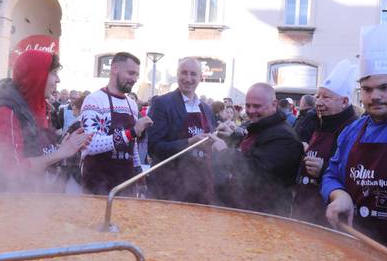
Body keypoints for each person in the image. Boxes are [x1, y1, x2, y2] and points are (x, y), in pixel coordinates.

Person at [321, 24, 387, 248]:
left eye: (384, 87)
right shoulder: (352, 130)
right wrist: (338, 194)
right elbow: (331, 173)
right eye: (367, 89)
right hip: (352, 243)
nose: (375, 96)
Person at [0, 50, 91, 192]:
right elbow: (12, 172)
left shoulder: (40, 106)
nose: (58, 80)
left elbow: (37, 151)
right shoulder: (7, 111)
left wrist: (63, 147)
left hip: (35, 198)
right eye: (54, 73)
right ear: (37, 76)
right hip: (7, 204)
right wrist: (60, 153)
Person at [211, 83, 303, 216]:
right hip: (243, 209)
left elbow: (256, 172)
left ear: (274, 104)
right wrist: (231, 138)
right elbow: (249, 151)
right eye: (248, 105)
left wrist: (225, 152)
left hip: (266, 215)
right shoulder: (260, 126)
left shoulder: (284, 138)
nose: (251, 111)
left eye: (257, 106)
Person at [292, 60, 358, 226]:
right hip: (304, 208)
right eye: (318, 96)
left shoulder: (352, 129)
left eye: (326, 98)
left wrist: (323, 170)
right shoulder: (319, 122)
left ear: (344, 102)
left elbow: (355, 172)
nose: (319, 102)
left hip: (328, 216)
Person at [80, 52, 153, 195]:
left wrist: (138, 172)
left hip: (125, 185)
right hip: (97, 186)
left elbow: (134, 145)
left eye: (136, 75)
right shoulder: (94, 100)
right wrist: (131, 132)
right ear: (114, 68)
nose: (134, 79)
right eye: (131, 73)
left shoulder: (131, 104)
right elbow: (90, 145)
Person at [147, 57, 216, 204]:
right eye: (184, 73)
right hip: (168, 187)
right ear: (177, 75)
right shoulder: (162, 103)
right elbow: (153, 147)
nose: (188, 78)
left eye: (193, 74)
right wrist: (189, 142)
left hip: (200, 186)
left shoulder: (206, 108)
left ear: (200, 78)